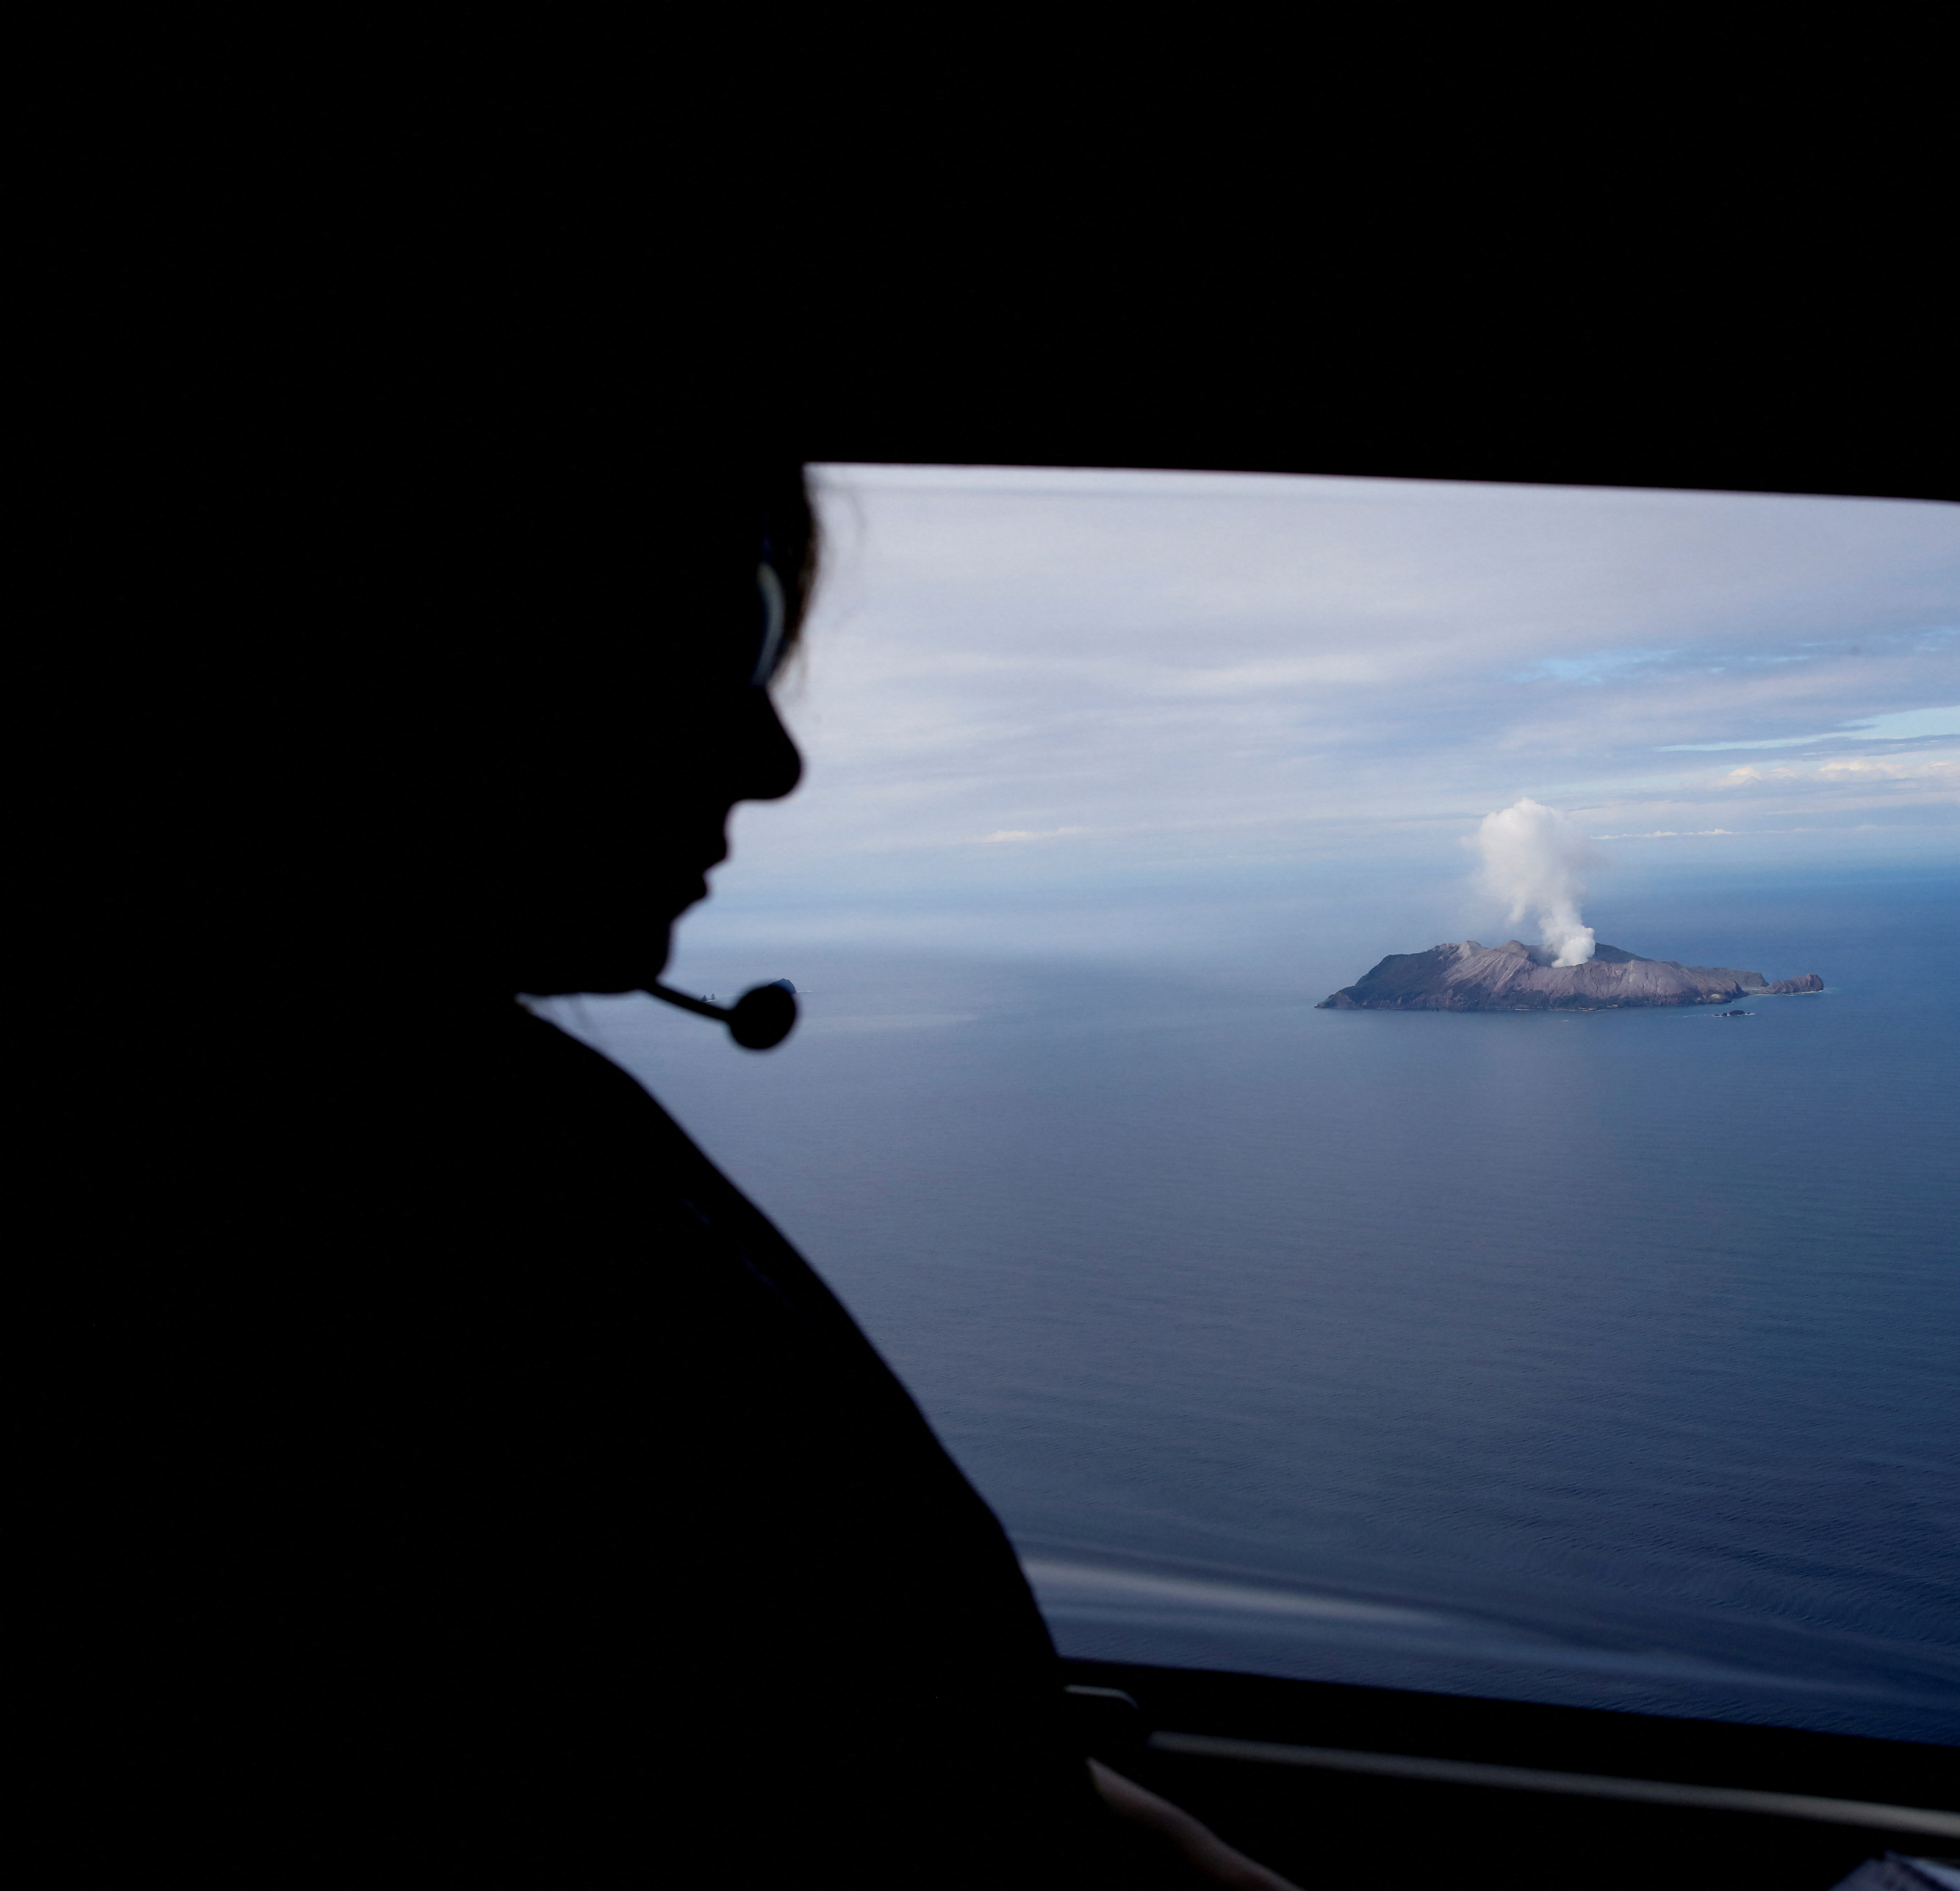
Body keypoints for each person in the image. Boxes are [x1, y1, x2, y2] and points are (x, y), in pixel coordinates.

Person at [64, 456, 1300, 1885]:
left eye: (764, 644)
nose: (774, 760)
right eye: (710, 641)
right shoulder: (404, 1196)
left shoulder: (482, 1113)